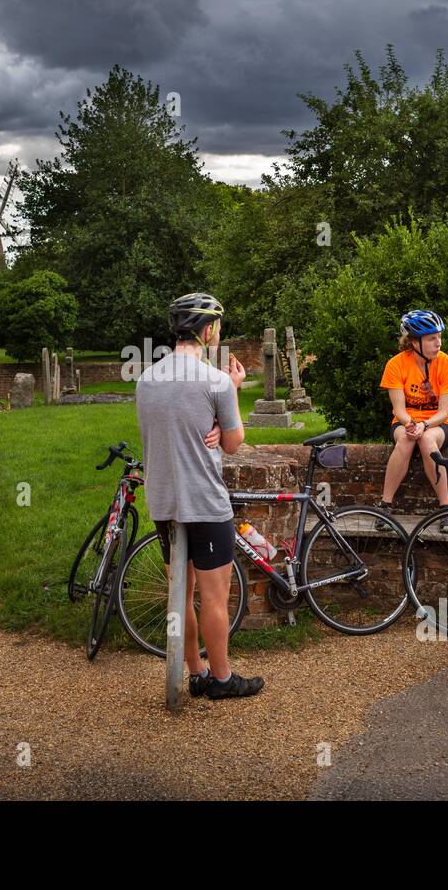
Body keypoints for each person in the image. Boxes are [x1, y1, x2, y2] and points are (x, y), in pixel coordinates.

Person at [135, 292, 265, 701]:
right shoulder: (217, 381)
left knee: (180, 590)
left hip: (163, 500)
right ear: (207, 330)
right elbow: (232, 443)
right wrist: (233, 393)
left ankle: (195, 671)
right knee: (212, 596)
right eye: (218, 326)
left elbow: (170, 427)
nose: (219, 331)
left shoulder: (145, 380)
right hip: (206, 501)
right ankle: (223, 680)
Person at [376, 309, 448, 533]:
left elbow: (444, 413)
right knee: (406, 440)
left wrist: (424, 425)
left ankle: (446, 509)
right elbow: (398, 408)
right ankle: (385, 506)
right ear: (414, 342)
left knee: (427, 440)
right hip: (405, 420)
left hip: (437, 424)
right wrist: (409, 423)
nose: (439, 343)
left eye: (439, 337)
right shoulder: (396, 364)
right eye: (431, 338)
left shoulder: (447, 365)